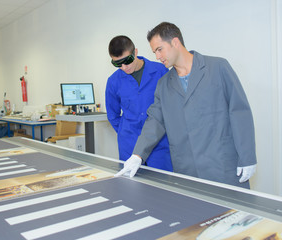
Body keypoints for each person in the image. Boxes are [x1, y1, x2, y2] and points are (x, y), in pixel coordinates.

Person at [115, 22, 257, 189]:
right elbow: (155, 121)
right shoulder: (163, 84)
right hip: (187, 171)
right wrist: (138, 155)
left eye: (160, 49)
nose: (157, 56)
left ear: (175, 42)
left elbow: (239, 112)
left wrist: (247, 157)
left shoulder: (218, 68)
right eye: (154, 52)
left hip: (222, 165)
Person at [106, 35, 172, 171]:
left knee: (164, 186)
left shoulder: (160, 71)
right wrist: (126, 131)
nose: (124, 67)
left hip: (158, 144)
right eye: (117, 64)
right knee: (131, 188)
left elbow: (170, 107)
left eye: (127, 61)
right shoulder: (113, 81)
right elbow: (113, 115)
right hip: (129, 145)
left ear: (135, 52)